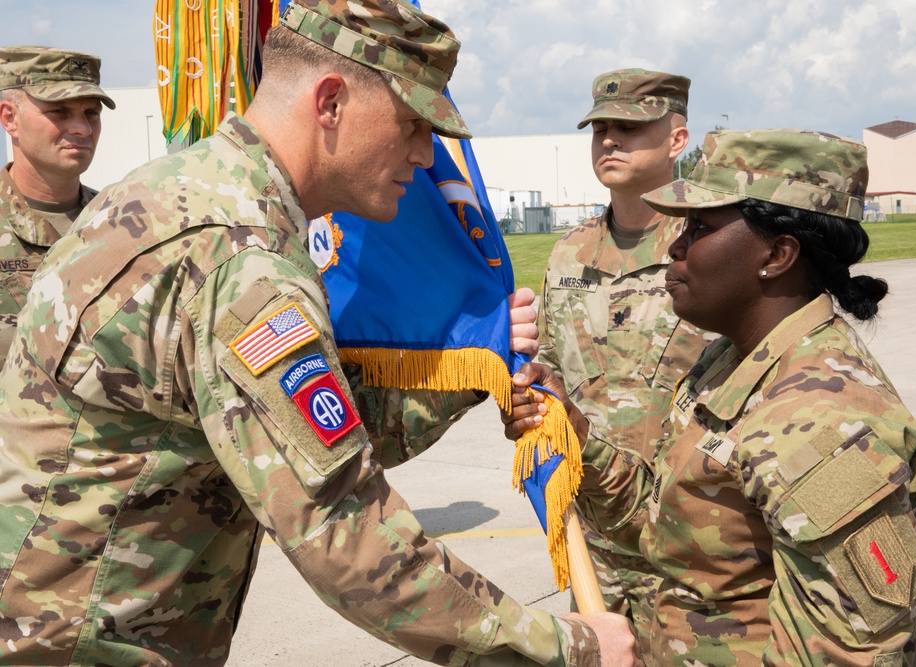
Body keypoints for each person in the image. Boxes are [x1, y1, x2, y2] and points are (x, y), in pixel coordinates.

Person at [0, 1, 638, 665]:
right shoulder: (241, 258)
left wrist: (471, 377)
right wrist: (568, 647)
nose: (426, 156)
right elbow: (341, 526)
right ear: (330, 101)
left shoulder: (195, 194)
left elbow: (281, 437)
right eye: (413, 124)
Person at [510, 128, 916, 665]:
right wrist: (577, 437)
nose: (676, 247)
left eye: (701, 228)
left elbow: (845, 653)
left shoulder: (822, 424)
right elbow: (664, 523)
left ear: (777, 254)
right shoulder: (728, 361)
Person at [521, 68, 711, 659]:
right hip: (595, 538)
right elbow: (549, 369)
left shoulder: (708, 251)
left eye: (629, 127)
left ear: (676, 140)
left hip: (689, 538)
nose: (609, 140)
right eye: (600, 127)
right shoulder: (569, 252)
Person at [0, 45, 114, 367]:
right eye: (59, 112)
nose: (82, 129)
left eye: (91, 113)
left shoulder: (119, 217)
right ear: (10, 118)